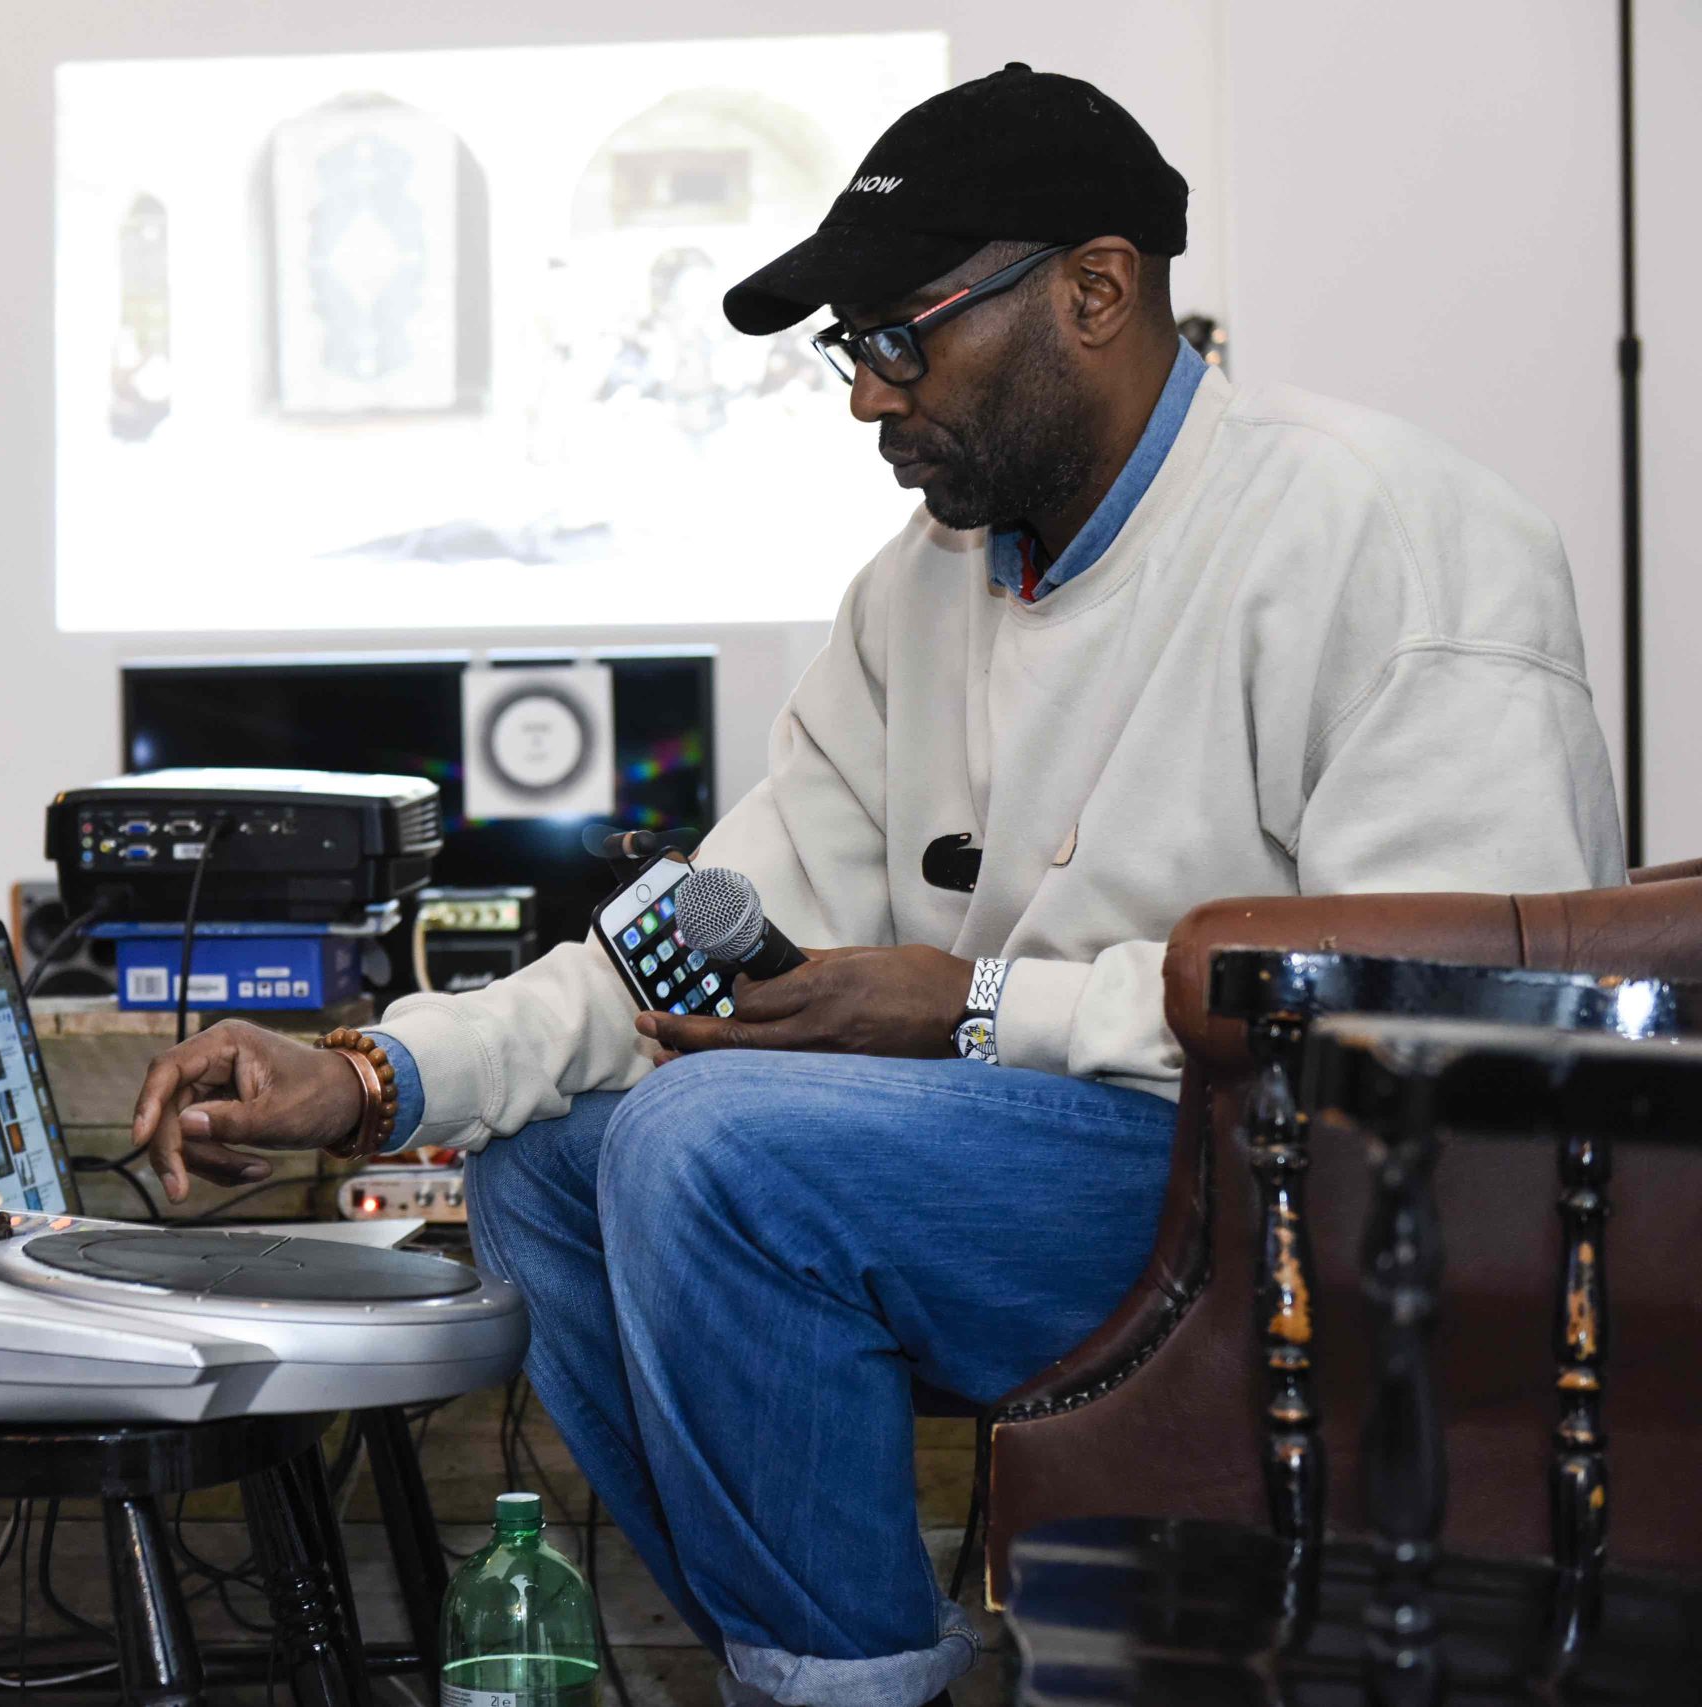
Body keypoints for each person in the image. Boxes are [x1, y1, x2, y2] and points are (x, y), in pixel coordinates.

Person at [126, 63, 1621, 1707]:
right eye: (852, 353)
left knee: (719, 1144)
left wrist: (973, 1011)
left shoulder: (1386, 536)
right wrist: (377, 1076)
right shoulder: (916, 598)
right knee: (546, 1177)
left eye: (901, 338)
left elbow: (1455, 1026)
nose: (866, 399)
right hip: (1095, 1178)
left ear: (1096, 291)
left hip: (1321, 1197)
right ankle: (845, 1675)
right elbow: (690, 945)